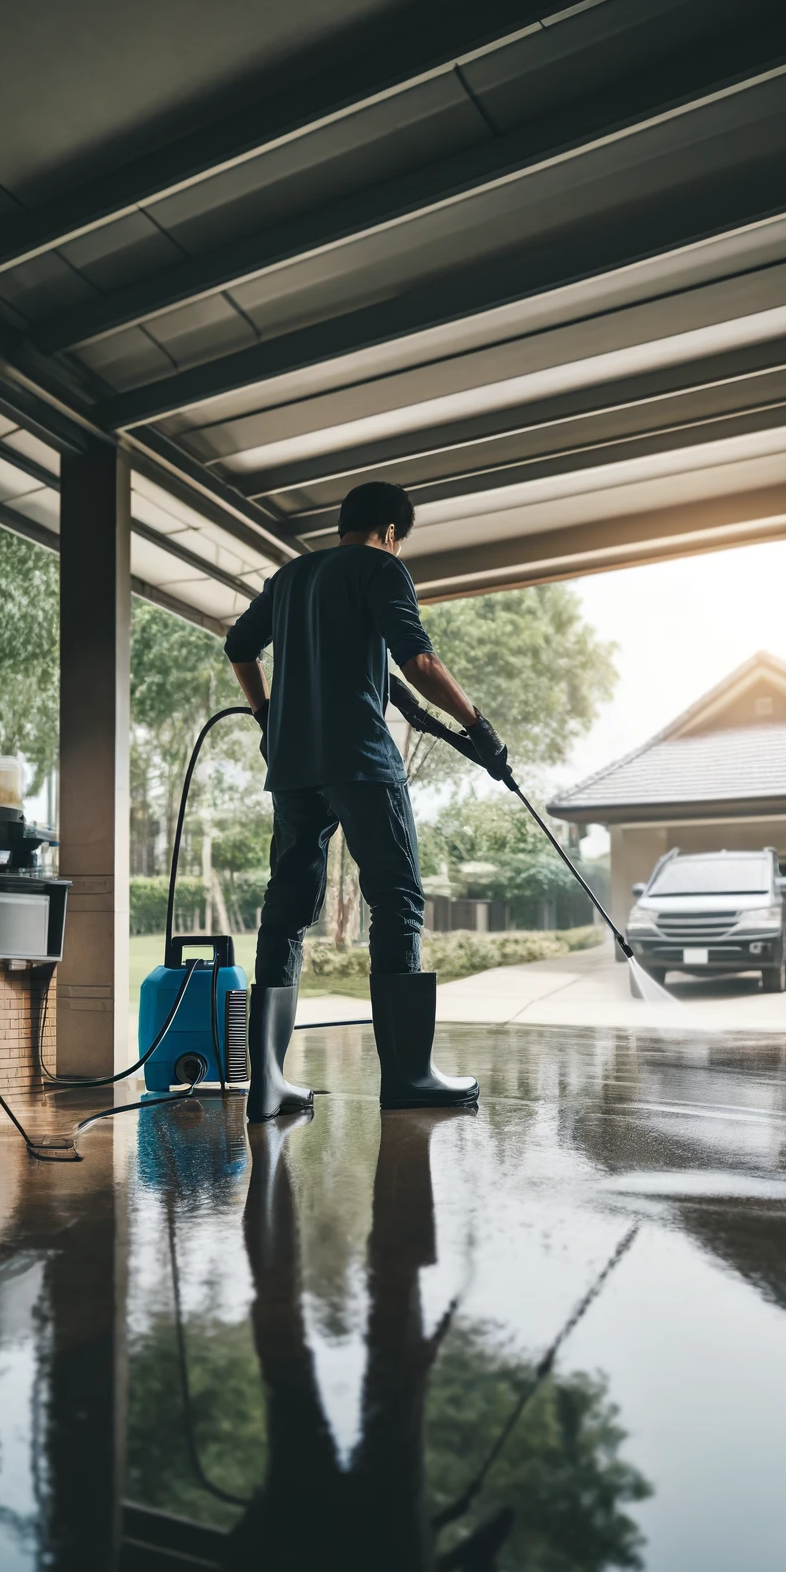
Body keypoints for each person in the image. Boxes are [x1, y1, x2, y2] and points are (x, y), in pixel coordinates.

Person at [225, 479, 510, 1119]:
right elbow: (420, 663)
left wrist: (267, 714)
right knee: (398, 901)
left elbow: (238, 646)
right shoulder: (381, 567)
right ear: (389, 533)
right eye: (399, 542)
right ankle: (408, 1076)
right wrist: (480, 729)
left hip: (294, 766)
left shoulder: (292, 576)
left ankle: (266, 1084)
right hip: (359, 761)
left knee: (287, 911)